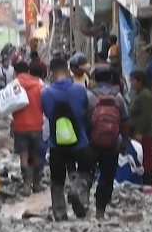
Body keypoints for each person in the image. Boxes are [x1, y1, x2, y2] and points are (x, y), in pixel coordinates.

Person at [40, 57, 92, 221]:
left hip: (56, 143)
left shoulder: (45, 93)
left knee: (57, 179)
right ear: (68, 70)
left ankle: (60, 213)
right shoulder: (80, 90)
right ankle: (77, 190)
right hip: (80, 141)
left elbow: (47, 114)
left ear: (51, 72)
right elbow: (86, 111)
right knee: (85, 172)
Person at [86, 67, 128, 218]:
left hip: (91, 143)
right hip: (113, 144)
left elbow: (83, 118)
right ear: (111, 79)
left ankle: (83, 203)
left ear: (94, 79)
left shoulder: (89, 95)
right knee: (107, 176)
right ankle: (100, 210)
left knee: (86, 173)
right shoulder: (118, 97)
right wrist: (124, 141)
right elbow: (124, 120)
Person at [9, 61, 45, 194]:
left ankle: (26, 186)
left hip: (20, 126)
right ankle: (36, 184)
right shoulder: (39, 84)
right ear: (28, 70)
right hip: (37, 125)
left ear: (16, 71)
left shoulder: (13, 85)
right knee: (37, 155)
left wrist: (11, 126)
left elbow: (9, 107)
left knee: (24, 157)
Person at [127, 70, 152, 187]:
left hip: (144, 132)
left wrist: (139, 131)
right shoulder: (138, 93)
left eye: (133, 80)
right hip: (137, 131)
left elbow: (147, 116)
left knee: (146, 156)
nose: (131, 83)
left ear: (139, 81)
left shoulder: (145, 95)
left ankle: (147, 180)